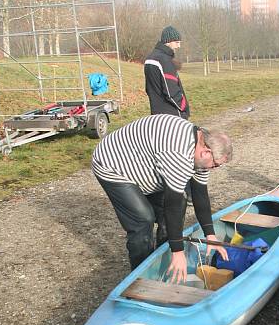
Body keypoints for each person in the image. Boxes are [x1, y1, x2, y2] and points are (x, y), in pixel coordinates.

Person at [92, 113, 232, 283]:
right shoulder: (178, 153)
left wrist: (210, 235)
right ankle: (141, 278)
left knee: (179, 204)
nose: (214, 168)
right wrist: (178, 251)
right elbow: (171, 205)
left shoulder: (199, 148)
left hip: (145, 162)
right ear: (206, 152)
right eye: (215, 164)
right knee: (143, 219)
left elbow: (200, 194)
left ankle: (164, 259)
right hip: (112, 164)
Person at [144, 26, 190, 118]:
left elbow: (148, 89)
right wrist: (184, 108)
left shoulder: (149, 58)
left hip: (156, 114)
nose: (179, 46)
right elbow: (171, 93)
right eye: (176, 42)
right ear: (167, 41)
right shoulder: (165, 60)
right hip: (172, 116)